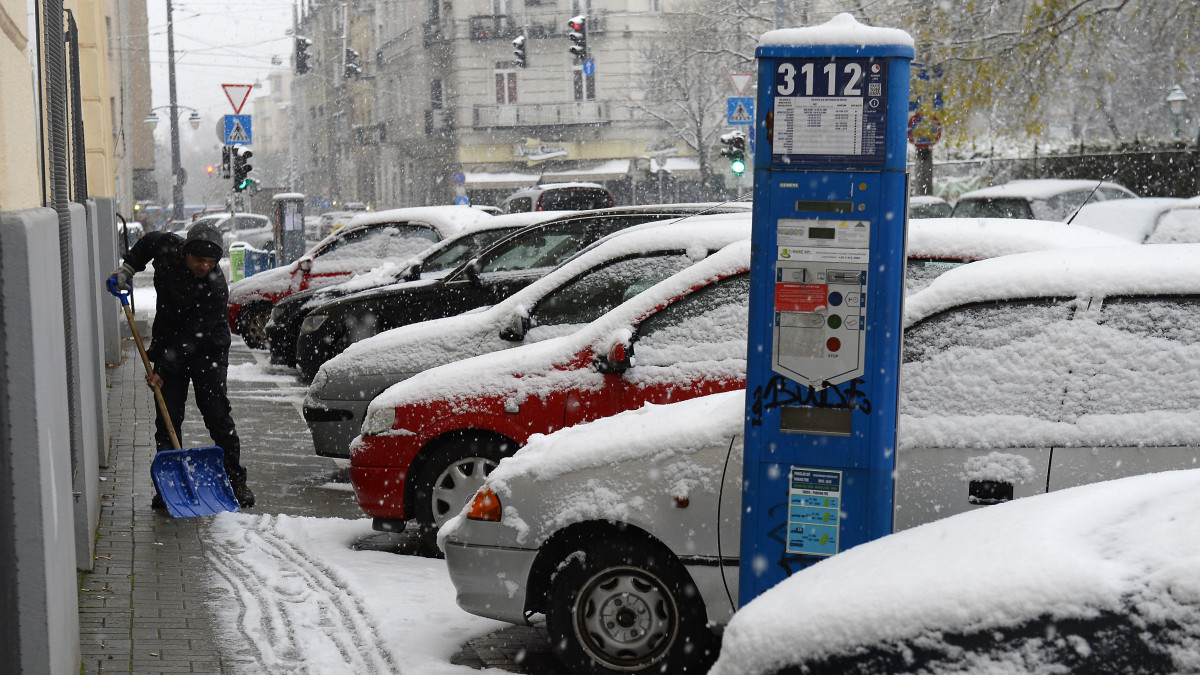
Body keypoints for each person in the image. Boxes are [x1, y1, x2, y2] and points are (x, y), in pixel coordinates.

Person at [108, 223, 255, 509]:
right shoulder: (165, 247)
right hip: (167, 340)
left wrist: (162, 369)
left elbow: (193, 337)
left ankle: (236, 480)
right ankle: (169, 486)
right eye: (200, 259)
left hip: (207, 348)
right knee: (167, 418)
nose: (205, 265)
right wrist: (127, 269)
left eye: (211, 261)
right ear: (186, 251)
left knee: (216, 414)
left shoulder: (215, 285)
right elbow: (144, 244)